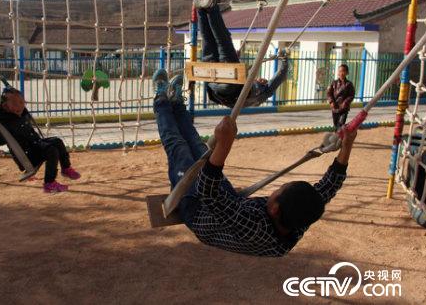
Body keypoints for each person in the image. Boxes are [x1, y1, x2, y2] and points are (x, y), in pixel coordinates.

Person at [152, 68, 357, 256]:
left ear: (275, 209)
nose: (274, 189)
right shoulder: (299, 217)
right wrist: (347, 146)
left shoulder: (255, 228)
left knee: (178, 148)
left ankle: (161, 97)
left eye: (278, 191)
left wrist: (224, 145)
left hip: (199, 209)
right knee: (198, 146)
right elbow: (329, 187)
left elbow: (207, 193)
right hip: (230, 202)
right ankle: (177, 104)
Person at [194, 0, 289, 108]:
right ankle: (201, 10)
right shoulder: (253, 89)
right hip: (214, 84)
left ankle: (210, 7)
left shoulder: (265, 93)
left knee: (223, 40)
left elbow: (280, 77)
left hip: (229, 86)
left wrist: (284, 60)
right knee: (209, 41)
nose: (261, 79)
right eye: (263, 80)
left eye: (262, 81)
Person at [0, 88, 81, 193]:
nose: (20, 106)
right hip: (27, 156)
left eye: (22, 102)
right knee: (51, 150)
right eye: (15, 103)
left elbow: (15, 99)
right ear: (5, 106)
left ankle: (66, 168)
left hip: (36, 145)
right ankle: (49, 183)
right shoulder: (0, 120)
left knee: (57, 141)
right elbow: (0, 141)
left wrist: (14, 97)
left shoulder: (21, 112)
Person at [327, 64, 355, 130]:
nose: (341, 73)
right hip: (335, 108)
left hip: (344, 109)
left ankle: (340, 138)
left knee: (341, 124)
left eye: (343, 71)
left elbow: (351, 95)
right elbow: (329, 93)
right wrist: (331, 102)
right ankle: (337, 137)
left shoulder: (349, 84)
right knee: (336, 125)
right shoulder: (333, 83)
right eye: (339, 71)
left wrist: (345, 103)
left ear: (347, 73)